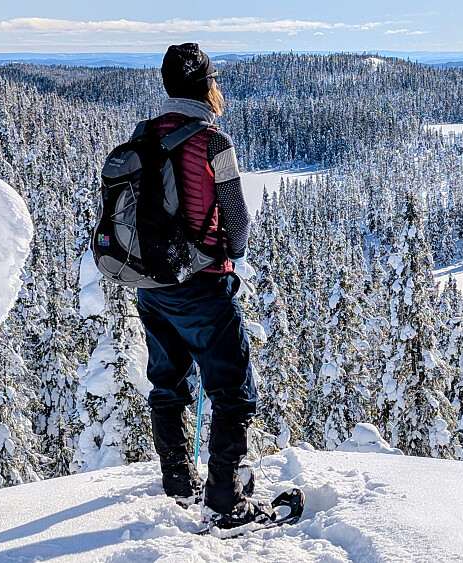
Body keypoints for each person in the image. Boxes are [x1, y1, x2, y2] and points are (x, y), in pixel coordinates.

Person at [137, 42, 266, 528]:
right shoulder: (214, 142)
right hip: (203, 287)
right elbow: (238, 229)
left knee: (168, 382)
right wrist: (226, 253)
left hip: (152, 286)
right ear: (206, 85)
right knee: (233, 391)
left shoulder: (146, 134)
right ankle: (225, 497)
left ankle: (178, 481)